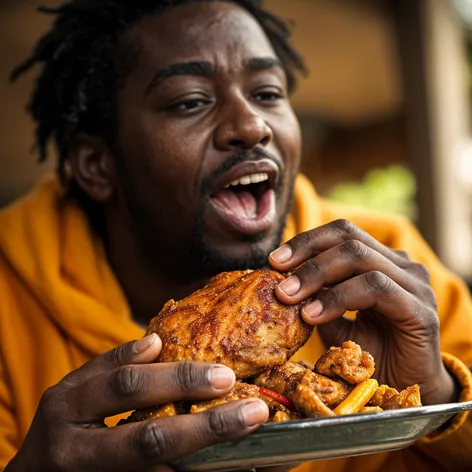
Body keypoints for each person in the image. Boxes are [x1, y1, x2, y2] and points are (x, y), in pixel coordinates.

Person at [1, 0, 472, 470]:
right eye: (190, 101)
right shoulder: (8, 297)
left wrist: (436, 394)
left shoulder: (384, 262)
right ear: (97, 165)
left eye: (267, 93)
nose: (252, 126)